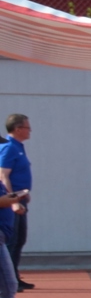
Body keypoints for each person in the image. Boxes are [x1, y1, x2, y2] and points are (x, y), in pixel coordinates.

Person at [0, 114, 31, 288]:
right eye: (27, 127)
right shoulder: (8, 147)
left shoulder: (18, 147)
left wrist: (24, 193)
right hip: (12, 202)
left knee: (19, 239)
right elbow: (3, 175)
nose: (30, 130)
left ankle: (14, 277)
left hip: (20, 198)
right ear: (18, 129)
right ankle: (8, 280)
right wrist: (13, 201)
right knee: (12, 241)